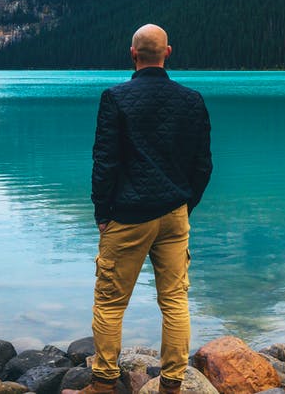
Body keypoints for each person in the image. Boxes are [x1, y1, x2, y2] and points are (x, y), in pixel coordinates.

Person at [84, 24, 213, 394]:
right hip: (174, 213)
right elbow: (203, 164)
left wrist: (102, 213)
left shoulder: (116, 98)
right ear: (168, 53)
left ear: (132, 54)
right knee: (174, 300)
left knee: (110, 302)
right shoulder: (192, 100)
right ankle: (172, 385)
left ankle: (104, 383)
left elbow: (105, 162)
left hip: (127, 216)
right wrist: (186, 205)